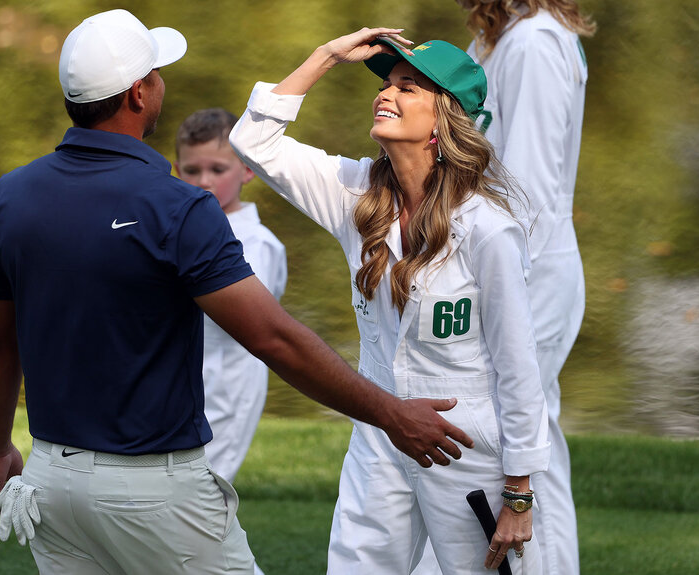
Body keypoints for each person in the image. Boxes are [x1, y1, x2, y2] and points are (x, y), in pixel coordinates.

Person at [0, 11, 475, 575]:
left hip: (50, 483)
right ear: (140, 93)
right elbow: (275, 339)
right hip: (155, 495)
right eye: (157, 74)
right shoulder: (178, 208)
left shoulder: (10, 197)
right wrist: (390, 414)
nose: (162, 83)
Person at [230, 28, 550, 574]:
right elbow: (254, 143)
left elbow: (517, 365)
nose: (386, 94)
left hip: (463, 442)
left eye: (408, 88)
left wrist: (518, 492)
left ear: (443, 122)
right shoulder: (354, 193)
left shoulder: (488, 229)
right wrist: (327, 55)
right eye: (386, 84)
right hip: (379, 436)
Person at [449, 3, 597, 574]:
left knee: (519, 441)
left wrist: (496, 280)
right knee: (525, 440)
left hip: (528, 265)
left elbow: (528, 183)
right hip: (500, 258)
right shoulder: (497, 36)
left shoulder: (534, 41)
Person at [174, 108, 287, 485]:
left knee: (205, 488)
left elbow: (249, 321)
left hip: (227, 389)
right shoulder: (175, 233)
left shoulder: (259, 245)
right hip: (178, 382)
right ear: (177, 170)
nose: (204, 182)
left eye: (217, 170)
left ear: (248, 170)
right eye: (192, 171)